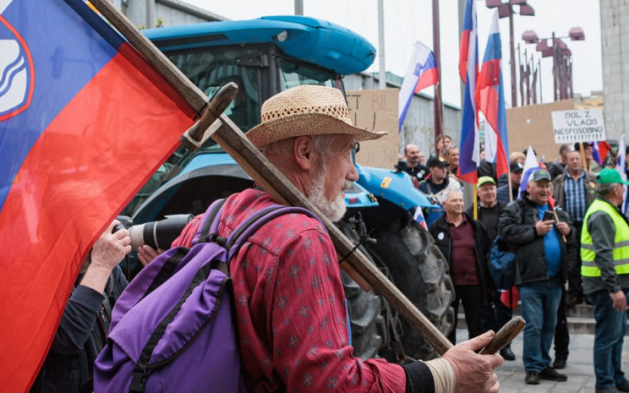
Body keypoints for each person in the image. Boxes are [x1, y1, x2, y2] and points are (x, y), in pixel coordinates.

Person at [172, 85, 501, 393]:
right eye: (347, 152)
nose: (354, 173)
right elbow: (330, 384)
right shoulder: (301, 238)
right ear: (305, 153)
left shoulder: (209, 218)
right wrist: (446, 375)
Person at [29, 221, 130, 391]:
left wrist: (161, 271)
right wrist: (100, 266)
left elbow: (137, 323)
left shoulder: (108, 271)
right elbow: (67, 337)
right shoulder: (35, 272)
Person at [499, 169, 574, 385]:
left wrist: (569, 231)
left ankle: (543, 364)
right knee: (534, 324)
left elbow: (572, 239)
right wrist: (534, 230)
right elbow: (505, 232)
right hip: (530, 279)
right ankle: (532, 367)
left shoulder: (556, 209)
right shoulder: (515, 208)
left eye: (547, 185)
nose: (544, 189)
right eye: (539, 185)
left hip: (556, 279)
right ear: (528, 187)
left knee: (550, 324)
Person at [580, 168, 629, 393]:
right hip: (606, 286)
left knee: (616, 335)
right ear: (615, 189)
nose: (624, 189)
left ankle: (616, 377)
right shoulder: (602, 213)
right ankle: (605, 383)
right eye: (622, 185)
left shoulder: (608, 209)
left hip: (613, 284)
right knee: (608, 336)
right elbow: (604, 254)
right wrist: (614, 289)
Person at [429, 188, 492, 344]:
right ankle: (451, 361)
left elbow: (486, 252)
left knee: (476, 327)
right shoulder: (436, 228)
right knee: (449, 327)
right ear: (444, 204)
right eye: (454, 200)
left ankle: (475, 360)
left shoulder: (476, 227)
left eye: (461, 200)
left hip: (474, 284)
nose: (459, 203)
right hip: (448, 287)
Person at [465, 177, 514, 362]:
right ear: (478, 192)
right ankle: (489, 346)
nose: (489, 192)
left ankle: (506, 346)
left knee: (504, 310)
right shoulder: (472, 213)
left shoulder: (505, 210)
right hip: (482, 269)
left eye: (492, 188)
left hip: (502, 268)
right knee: (485, 312)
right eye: (484, 189)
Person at [552, 149, 597, 306]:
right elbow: (555, 201)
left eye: (578, 159)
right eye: (572, 159)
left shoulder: (592, 179)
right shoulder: (559, 181)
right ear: (567, 162)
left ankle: (591, 292)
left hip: (589, 225)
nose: (575, 162)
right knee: (572, 259)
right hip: (569, 226)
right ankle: (575, 293)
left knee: (589, 258)